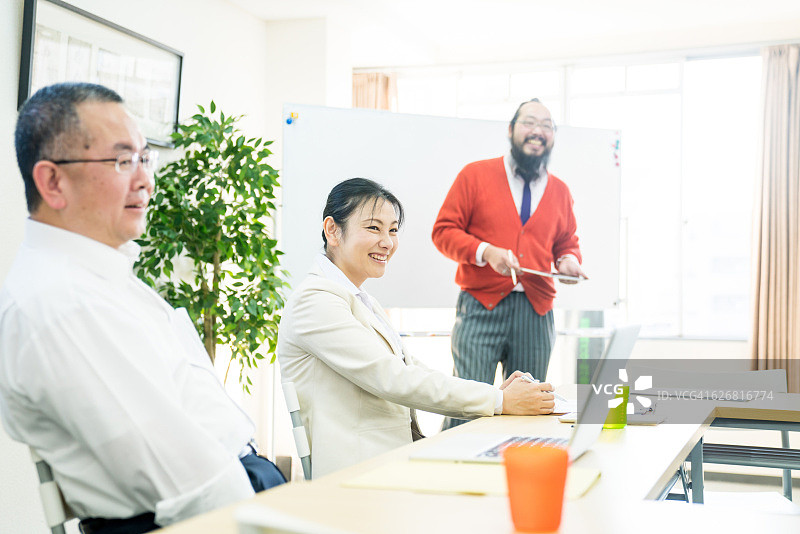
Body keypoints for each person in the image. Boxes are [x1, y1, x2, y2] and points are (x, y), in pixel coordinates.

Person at [0, 82, 284, 534]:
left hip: (239, 491)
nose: (146, 181)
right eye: (121, 161)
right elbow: (192, 485)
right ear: (53, 182)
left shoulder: (96, 275)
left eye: (144, 158)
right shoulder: (62, 304)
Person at [276, 178, 555, 479]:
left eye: (393, 230)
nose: (387, 242)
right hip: (358, 475)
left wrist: (495, 395)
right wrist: (500, 401)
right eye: (374, 228)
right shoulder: (315, 301)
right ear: (332, 230)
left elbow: (411, 369)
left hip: (393, 461)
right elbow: (394, 378)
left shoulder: (359, 299)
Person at [432, 98, 586, 430]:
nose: (537, 131)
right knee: (467, 405)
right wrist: (486, 251)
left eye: (546, 125)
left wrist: (569, 261)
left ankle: (516, 462)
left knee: (530, 408)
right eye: (529, 122)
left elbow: (566, 241)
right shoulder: (474, 175)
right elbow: (443, 232)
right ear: (511, 129)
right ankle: (454, 462)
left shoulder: (560, 191)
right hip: (480, 306)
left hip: (536, 311)